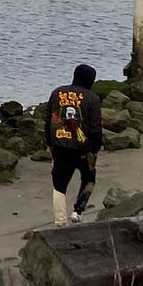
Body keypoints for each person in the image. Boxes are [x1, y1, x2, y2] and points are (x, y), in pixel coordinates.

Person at [44, 63, 102, 226]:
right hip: (83, 148)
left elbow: (48, 120)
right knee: (89, 178)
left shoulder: (57, 93)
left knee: (59, 182)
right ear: (90, 80)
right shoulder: (92, 98)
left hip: (59, 145)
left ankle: (60, 220)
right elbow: (96, 128)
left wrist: (49, 142)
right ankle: (77, 211)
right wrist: (95, 149)